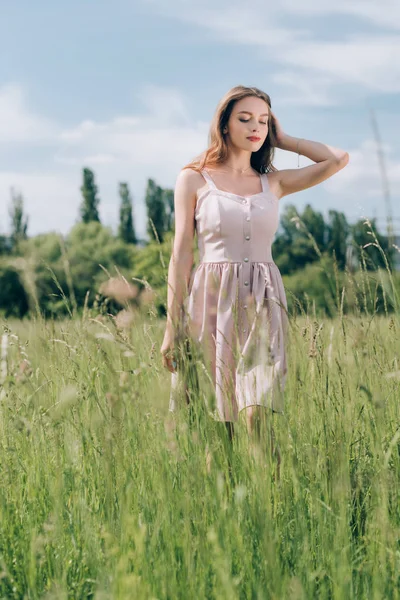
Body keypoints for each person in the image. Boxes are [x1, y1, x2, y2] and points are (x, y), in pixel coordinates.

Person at [160, 84, 349, 468]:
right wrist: (171, 326)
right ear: (224, 124)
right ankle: (226, 509)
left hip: (263, 302)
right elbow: (181, 254)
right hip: (211, 302)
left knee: (258, 413)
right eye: (244, 118)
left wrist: (286, 139)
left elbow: (338, 159)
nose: (255, 127)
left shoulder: (273, 182)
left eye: (263, 121)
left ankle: (275, 506)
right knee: (220, 420)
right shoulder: (194, 178)